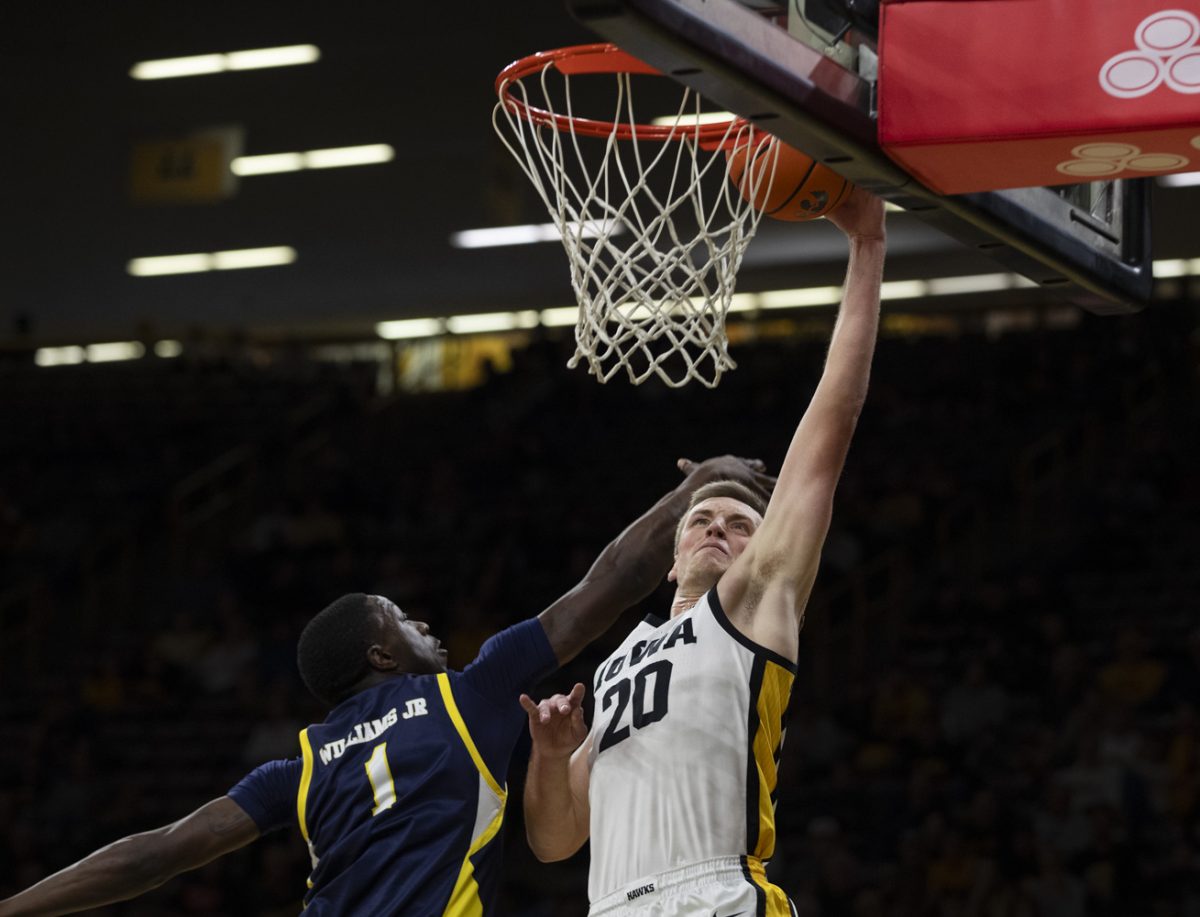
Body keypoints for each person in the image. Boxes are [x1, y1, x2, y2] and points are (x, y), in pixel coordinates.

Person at [0, 456, 772, 917]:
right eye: (403, 621)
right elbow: (611, 584)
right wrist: (698, 487)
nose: (424, 627)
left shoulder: (297, 766)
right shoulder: (469, 695)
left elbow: (157, 853)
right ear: (379, 653)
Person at [521, 187, 887, 917]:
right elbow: (556, 840)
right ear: (672, 555)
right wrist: (551, 756)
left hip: (713, 895)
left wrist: (867, 249)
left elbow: (828, 434)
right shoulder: (622, 658)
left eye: (742, 523)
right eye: (702, 519)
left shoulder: (751, 606)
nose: (718, 526)